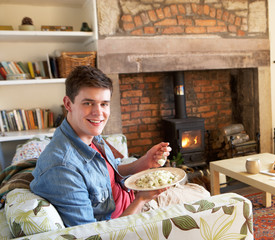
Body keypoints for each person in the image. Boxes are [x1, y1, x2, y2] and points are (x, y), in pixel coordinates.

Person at [30, 65, 171, 227]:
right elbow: (93, 235)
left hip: (134, 201)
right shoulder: (63, 168)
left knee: (199, 192)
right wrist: (141, 199)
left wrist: (146, 161)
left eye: (104, 104)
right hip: (128, 223)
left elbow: (110, 171)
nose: (98, 113)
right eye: (88, 103)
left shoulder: (91, 135)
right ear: (68, 104)